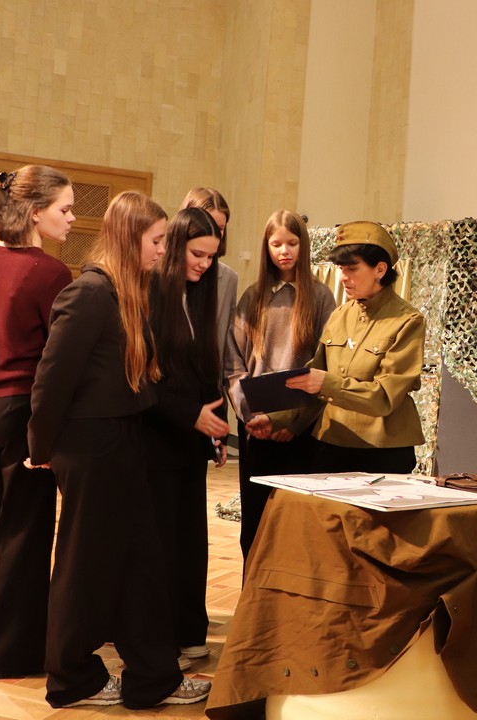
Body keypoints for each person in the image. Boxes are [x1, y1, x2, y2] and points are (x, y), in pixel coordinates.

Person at [26, 190, 211, 708]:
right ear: (130, 239)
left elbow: (135, 380)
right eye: (156, 241)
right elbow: (51, 379)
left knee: (140, 563)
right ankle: (70, 678)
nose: (162, 251)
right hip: (91, 446)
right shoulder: (89, 293)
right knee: (86, 565)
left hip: (120, 441)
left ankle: (154, 676)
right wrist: (40, 445)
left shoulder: (125, 293)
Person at [0, 165, 74, 681]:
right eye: (64, 209)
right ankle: (12, 655)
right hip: (16, 409)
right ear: (34, 212)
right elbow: (58, 358)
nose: (71, 219)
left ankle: (16, 637)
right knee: (25, 535)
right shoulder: (51, 273)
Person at [145, 207, 229, 669]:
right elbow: (142, 380)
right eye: (198, 254)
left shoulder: (200, 294)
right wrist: (190, 415)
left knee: (190, 544)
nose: (204, 264)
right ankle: (155, 642)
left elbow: (203, 370)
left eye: (211, 257)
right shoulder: (150, 291)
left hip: (189, 442)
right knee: (159, 545)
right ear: (175, 247)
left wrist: (215, 426)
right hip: (155, 438)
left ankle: (188, 631)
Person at [226, 210, 335, 559]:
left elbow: (326, 366)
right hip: (255, 428)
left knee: (295, 527)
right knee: (255, 525)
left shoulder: (321, 298)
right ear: (266, 247)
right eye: (276, 244)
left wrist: (294, 422)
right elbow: (233, 364)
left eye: (292, 243)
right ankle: (253, 590)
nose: (284, 251)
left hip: (298, 432)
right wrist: (250, 416)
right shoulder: (253, 296)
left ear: (304, 246)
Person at [284, 221, 425, 474]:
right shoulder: (340, 314)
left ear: (380, 269)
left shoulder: (407, 321)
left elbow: (384, 397)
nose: (343, 278)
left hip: (383, 449)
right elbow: (312, 376)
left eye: (351, 268)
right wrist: (275, 419)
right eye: (340, 269)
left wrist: (326, 383)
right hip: (330, 442)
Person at [179, 187, 238, 376]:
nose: (214, 233)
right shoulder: (156, 274)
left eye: (220, 228)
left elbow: (225, 342)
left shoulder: (228, 278)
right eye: (207, 223)